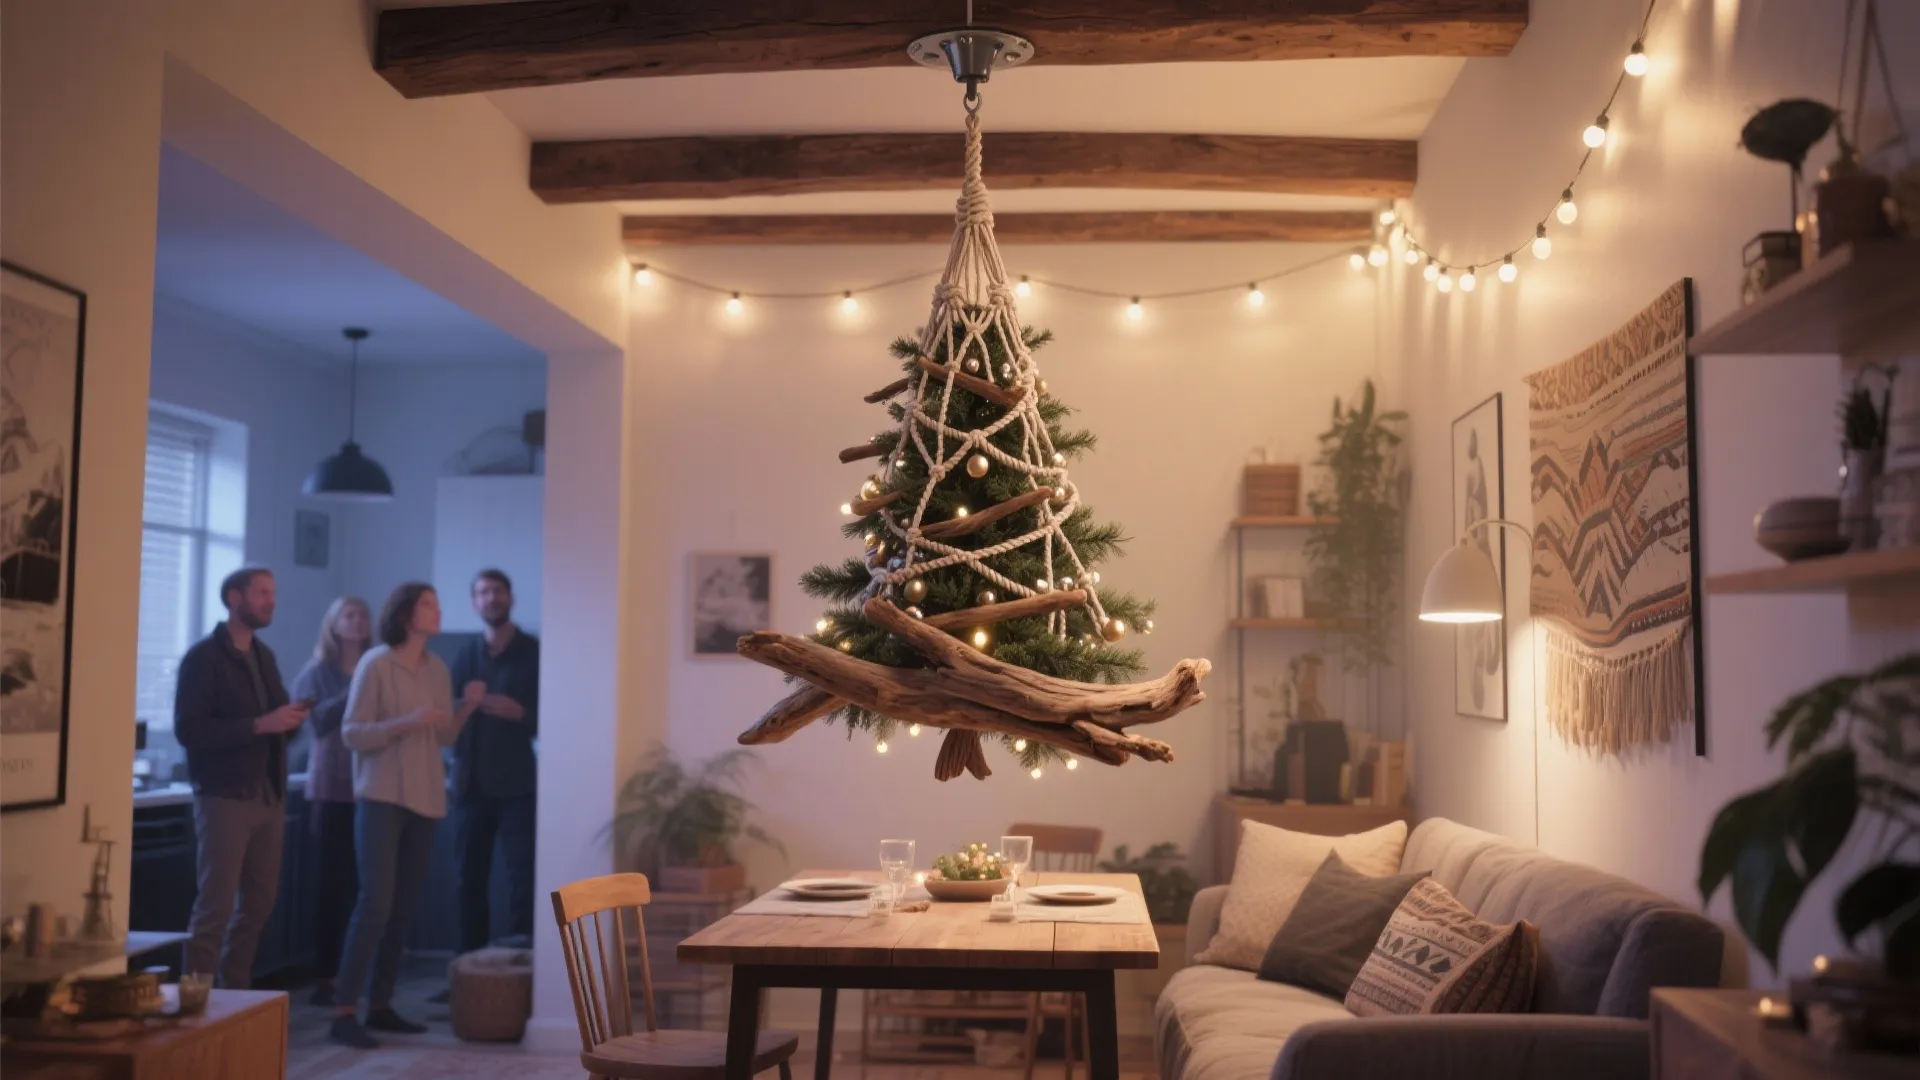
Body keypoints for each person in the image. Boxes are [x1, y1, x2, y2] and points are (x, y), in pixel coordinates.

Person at [330, 583, 484, 1049]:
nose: (437, 611)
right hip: (380, 797)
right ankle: (342, 1011)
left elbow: (445, 738)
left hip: (427, 799)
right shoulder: (375, 664)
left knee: (401, 911)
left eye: (437, 603)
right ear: (405, 614)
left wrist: (468, 707)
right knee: (374, 903)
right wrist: (405, 722)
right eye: (428, 604)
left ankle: (380, 1005)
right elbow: (352, 734)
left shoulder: (438, 668)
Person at [174, 567, 308, 988]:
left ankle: (234, 998)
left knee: (260, 904)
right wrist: (257, 726)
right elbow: (189, 730)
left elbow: (279, 721)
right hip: (225, 796)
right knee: (215, 907)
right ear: (235, 598)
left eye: (274, 593)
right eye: (263, 593)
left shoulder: (263, 657)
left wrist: (292, 720)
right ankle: (193, 1005)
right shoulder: (203, 658)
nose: (272, 601)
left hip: (268, 794)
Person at [449, 569, 540, 955]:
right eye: (483, 593)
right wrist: (469, 706)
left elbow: (556, 716)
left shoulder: (533, 651)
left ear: (511, 597)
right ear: (474, 602)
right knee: (468, 880)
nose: (491, 598)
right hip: (470, 786)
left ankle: (521, 971)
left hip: (519, 785)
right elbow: (447, 715)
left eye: (497, 591)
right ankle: (469, 971)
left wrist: (520, 713)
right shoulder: (464, 656)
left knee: (522, 879)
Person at [289, 596, 371, 1007]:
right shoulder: (316, 671)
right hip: (329, 788)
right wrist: (353, 688)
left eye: (362, 616)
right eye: (349, 616)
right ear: (333, 624)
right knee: (330, 885)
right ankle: (326, 975)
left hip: (369, 784)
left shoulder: (376, 666)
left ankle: (355, 972)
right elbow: (316, 722)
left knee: (364, 885)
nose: (357, 622)